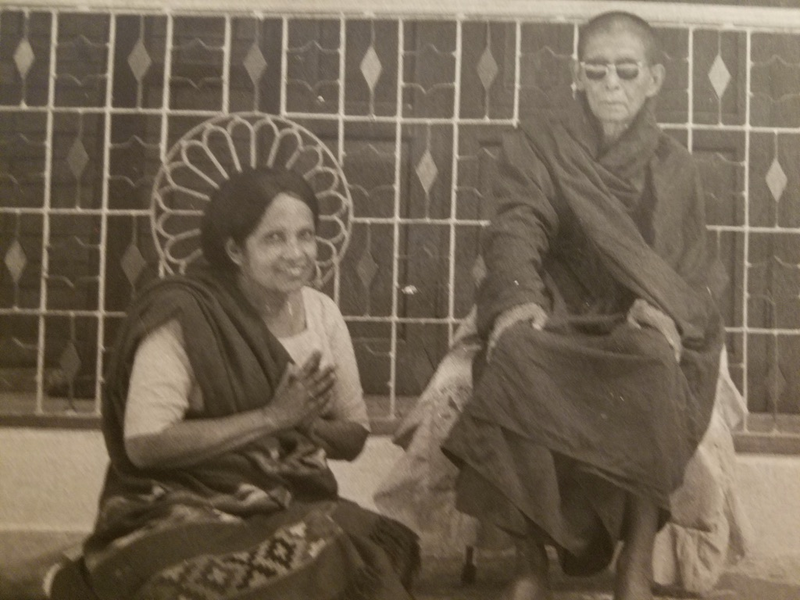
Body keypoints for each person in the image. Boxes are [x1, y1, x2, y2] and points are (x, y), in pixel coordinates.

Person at [441, 11, 725, 600]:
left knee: (654, 364)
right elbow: (517, 227)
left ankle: (636, 561)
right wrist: (520, 302)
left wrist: (661, 311)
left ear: (654, 78)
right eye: (596, 72)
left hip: (636, 312)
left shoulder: (674, 167)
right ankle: (529, 561)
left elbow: (680, 260)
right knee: (512, 356)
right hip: (556, 304)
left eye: (626, 71)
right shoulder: (537, 147)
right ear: (578, 75)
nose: (611, 86)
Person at [47, 166, 419, 600]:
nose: (296, 253)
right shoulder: (186, 314)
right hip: (179, 500)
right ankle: (83, 577)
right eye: (274, 238)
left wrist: (302, 424)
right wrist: (271, 417)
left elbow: (353, 437)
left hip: (286, 495)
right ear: (235, 250)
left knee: (390, 546)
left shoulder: (322, 313)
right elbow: (144, 444)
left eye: (306, 235)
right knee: (323, 560)